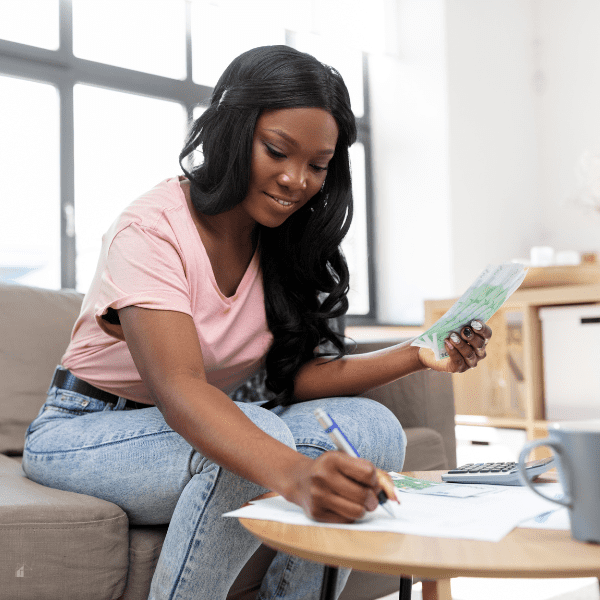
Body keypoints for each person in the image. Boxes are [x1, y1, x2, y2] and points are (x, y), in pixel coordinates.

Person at [22, 45, 492, 600]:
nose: (297, 181)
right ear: (233, 131)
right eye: (277, 151)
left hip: (195, 424)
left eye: (317, 166)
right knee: (254, 433)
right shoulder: (150, 229)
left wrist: (419, 351)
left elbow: (296, 378)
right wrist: (295, 475)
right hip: (83, 431)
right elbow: (181, 390)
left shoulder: (284, 241)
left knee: (370, 428)